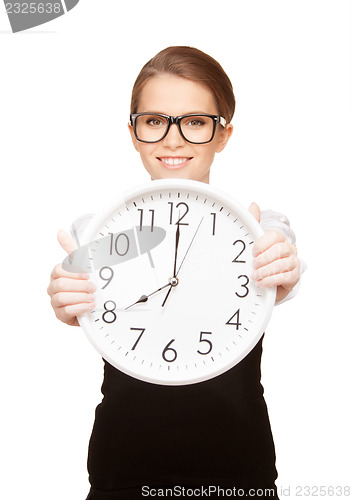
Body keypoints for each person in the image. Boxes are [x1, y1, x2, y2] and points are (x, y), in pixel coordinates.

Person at [47, 46, 302, 499]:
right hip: (123, 466)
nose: (173, 139)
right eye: (155, 121)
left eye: (195, 122)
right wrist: (66, 299)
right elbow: (74, 296)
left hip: (238, 469)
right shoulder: (95, 230)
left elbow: (281, 270)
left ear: (223, 135)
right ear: (134, 132)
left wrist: (283, 267)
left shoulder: (259, 225)